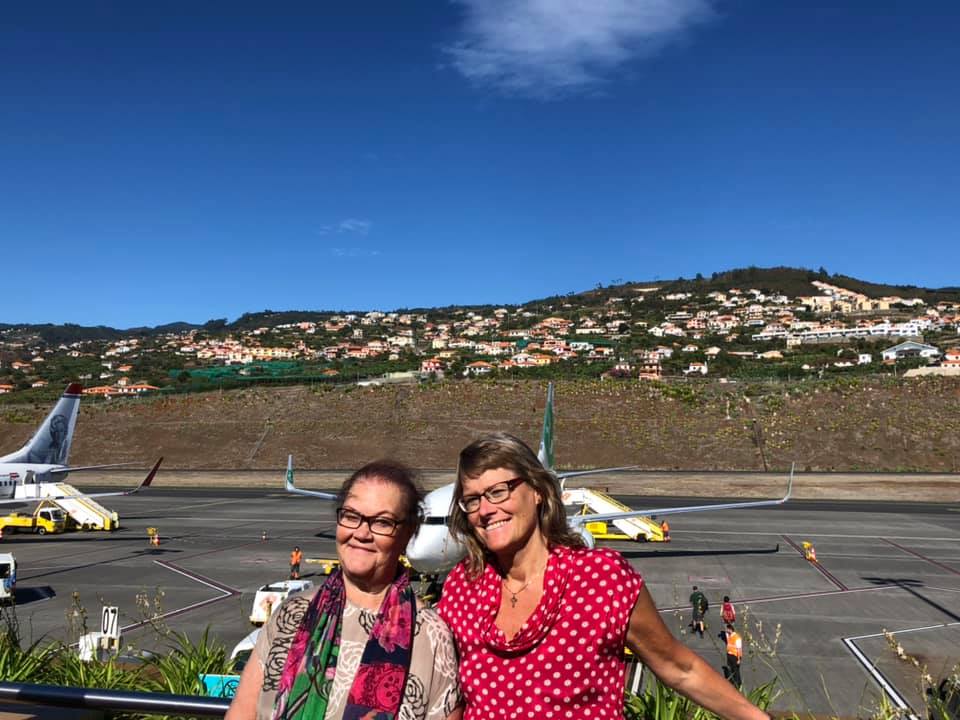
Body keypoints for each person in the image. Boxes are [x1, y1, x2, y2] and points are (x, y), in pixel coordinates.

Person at [439, 432, 768, 720]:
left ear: (537, 490)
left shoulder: (600, 579)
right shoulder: (461, 588)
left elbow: (679, 669)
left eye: (498, 491)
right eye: (472, 500)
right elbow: (451, 697)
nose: (485, 510)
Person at [226, 460, 462, 720]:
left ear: (408, 534)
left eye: (382, 522)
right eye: (351, 516)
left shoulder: (431, 638)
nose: (361, 533)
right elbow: (242, 712)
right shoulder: (291, 614)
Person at [723, 622, 743, 687]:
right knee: (731, 669)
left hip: (735, 656)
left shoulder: (737, 637)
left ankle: (737, 684)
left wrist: (739, 659)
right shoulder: (729, 635)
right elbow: (726, 634)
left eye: (727, 629)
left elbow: (739, 649)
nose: (726, 630)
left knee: (735, 670)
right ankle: (738, 682)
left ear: (730, 629)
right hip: (729, 654)